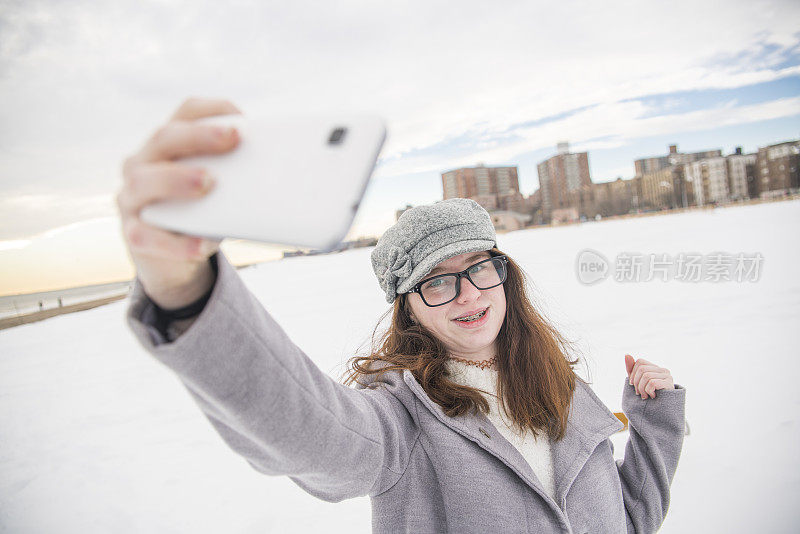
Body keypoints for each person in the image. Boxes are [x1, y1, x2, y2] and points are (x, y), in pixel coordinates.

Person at [120, 98, 686, 533]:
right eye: (437, 282)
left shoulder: (561, 388)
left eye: (479, 269)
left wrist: (655, 423)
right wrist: (187, 295)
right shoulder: (405, 423)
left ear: (504, 274)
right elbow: (311, 434)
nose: (468, 295)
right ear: (410, 308)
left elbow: (630, 520)